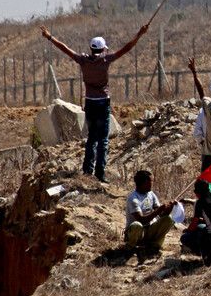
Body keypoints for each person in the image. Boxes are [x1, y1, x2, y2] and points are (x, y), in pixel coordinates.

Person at [39, 24, 148, 182]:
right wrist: (140, 33)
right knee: (103, 139)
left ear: (91, 48)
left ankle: (87, 170)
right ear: (103, 49)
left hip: (90, 103)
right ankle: (100, 172)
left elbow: (64, 48)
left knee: (92, 138)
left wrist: (49, 36)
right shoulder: (106, 60)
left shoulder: (83, 60)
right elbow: (128, 47)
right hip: (103, 103)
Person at [124, 170, 175, 252]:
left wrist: (169, 208)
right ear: (146, 182)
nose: (152, 184)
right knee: (136, 226)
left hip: (149, 230)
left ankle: (154, 246)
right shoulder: (133, 198)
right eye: (151, 181)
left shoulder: (151, 194)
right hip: (137, 232)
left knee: (169, 219)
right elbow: (141, 220)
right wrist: (158, 210)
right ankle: (130, 247)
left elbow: (162, 214)